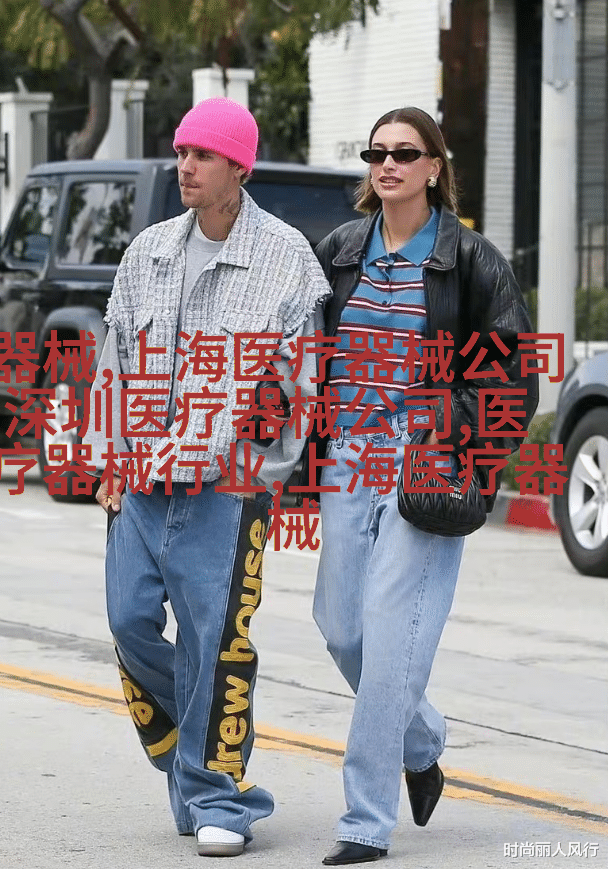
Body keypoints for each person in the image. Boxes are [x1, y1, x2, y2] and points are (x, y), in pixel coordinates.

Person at [86, 97, 331, 857]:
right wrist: (108, 456)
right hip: (140, 483)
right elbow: (116, 360)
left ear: (239, 167)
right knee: (128, 623)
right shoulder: (149, 251)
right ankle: (197, 753)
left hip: (225, 489)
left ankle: (219, 796)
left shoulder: (285, 257)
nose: (185, 166)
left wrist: (264, 471)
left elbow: (302, 382)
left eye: (202, 155)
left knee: (216, 643)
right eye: (182, 152)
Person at [307, 107, 539, 865]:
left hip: (421, 462)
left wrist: (448, 429)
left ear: (435, 167)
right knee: (341, 628)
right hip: (347, 458)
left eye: (405, 153)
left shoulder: (471, 260)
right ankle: (420, 740)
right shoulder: (341, 251)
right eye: (376, 152)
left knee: (391, 640)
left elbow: (511, 380)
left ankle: (365, 820)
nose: (388, 164)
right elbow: (305, 353)